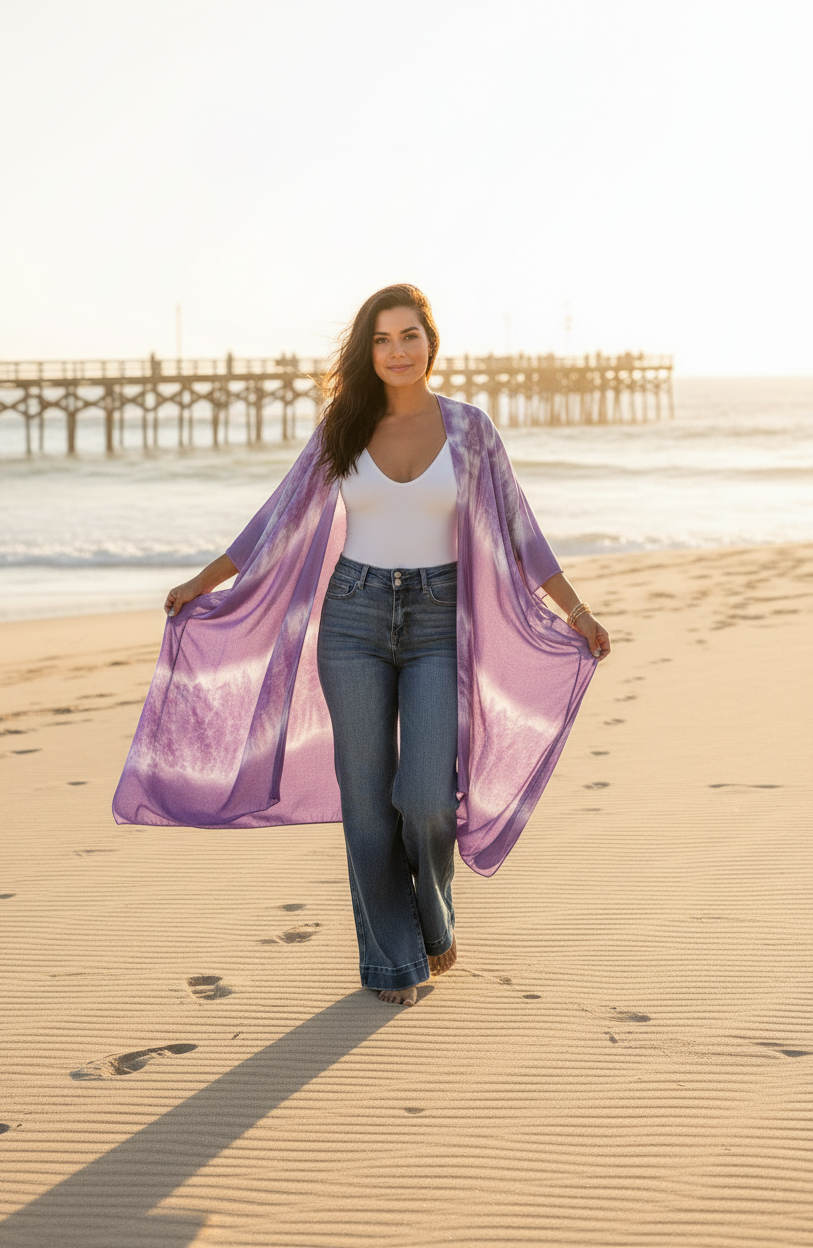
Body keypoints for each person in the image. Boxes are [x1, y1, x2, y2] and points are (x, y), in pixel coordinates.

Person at [157, 284, 610, 1008]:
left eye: (409, 336)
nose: (397, 351)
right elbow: (276, 519)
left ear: (432, 343)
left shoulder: (470, 430)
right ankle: (392, 964)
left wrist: (576, 610)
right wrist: (205, 582)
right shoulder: (345, 423)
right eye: (382, 340)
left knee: (427, 797)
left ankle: (434, 921)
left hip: (438, 621)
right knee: (367, 805)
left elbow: (520, 532)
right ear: (368, 351)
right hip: (352, 619)